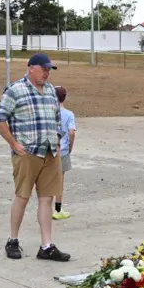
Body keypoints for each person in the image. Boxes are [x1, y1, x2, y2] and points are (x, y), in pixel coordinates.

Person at [0, 53, 70, 262]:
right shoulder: (15, 90)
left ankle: (46, 246)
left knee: (47, 199)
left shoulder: (51, 91)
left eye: (49, 70)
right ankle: (13, 240)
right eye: (44, 69)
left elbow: (56, 118)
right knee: (23, 196)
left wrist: (58, 137)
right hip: (27, 153)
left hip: (50, 152)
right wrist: (14, 144)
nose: (47, 73)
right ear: (31, 68)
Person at [52, 85, 76, 220]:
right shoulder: (69, 114)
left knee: (48, 179)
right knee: (60, 180)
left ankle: (45, 206)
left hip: (50, 150)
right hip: (63, 150)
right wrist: (70, 146)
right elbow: (71, 132)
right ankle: (58, 209)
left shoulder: (49, 112)